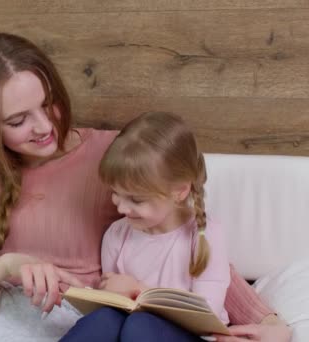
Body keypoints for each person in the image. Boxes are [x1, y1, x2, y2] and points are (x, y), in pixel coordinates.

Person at [0, 32, 290, 341]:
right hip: (2, 319)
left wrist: (270, 323)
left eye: (48, 104)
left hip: (93, 320)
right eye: (16, 120)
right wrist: (5, 265)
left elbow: (187, 235)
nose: (43, 126)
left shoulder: (113, 158)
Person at [60, 111, 230, 342]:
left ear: (179, 191)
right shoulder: (117, 234)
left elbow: (206, 316)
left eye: (136, 200)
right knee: (104, 319)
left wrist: (137, 289)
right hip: (132, 330)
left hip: (191, 336)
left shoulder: (204, 234)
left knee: (140, 325)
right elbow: (113, 302)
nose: (121, 208)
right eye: (116, 194)